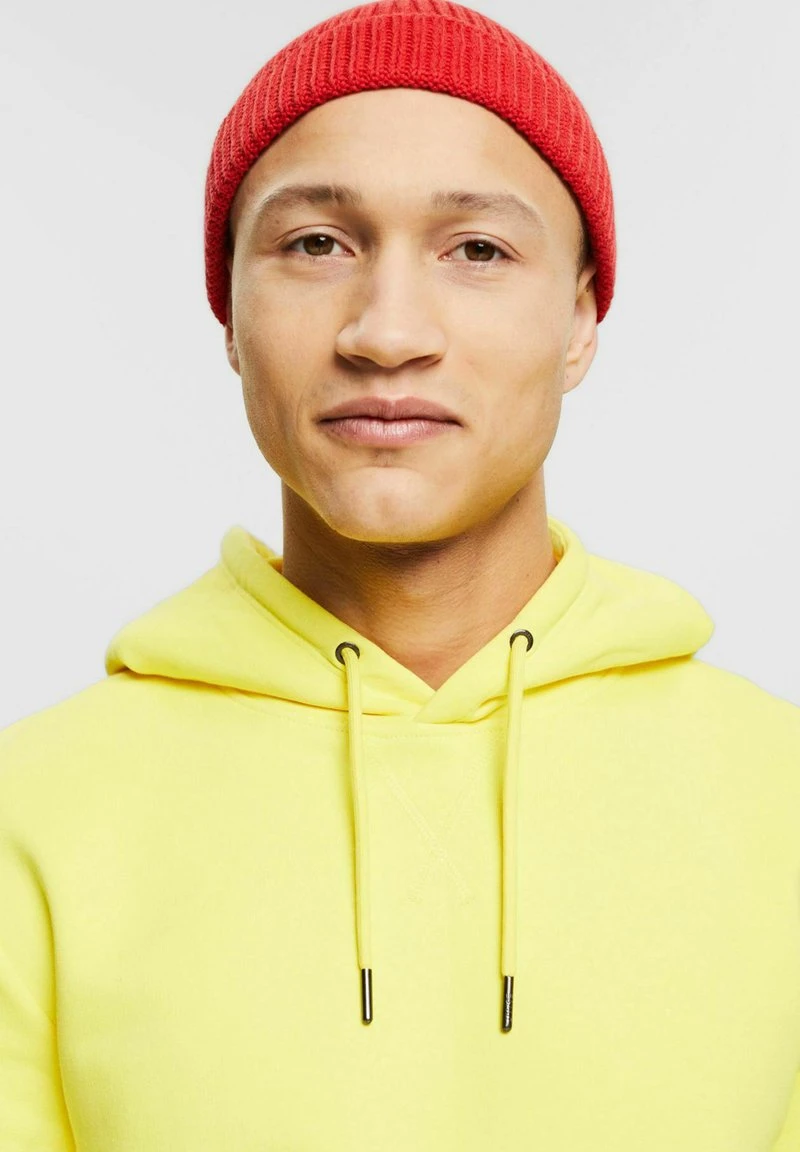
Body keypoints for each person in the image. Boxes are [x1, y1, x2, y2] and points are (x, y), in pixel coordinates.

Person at [1, 0, 798, 1148]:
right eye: (315, 244)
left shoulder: (776, 794)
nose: (384, 333)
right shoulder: (32, 811)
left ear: (580, 318)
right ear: (228, 314)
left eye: (476, 250)